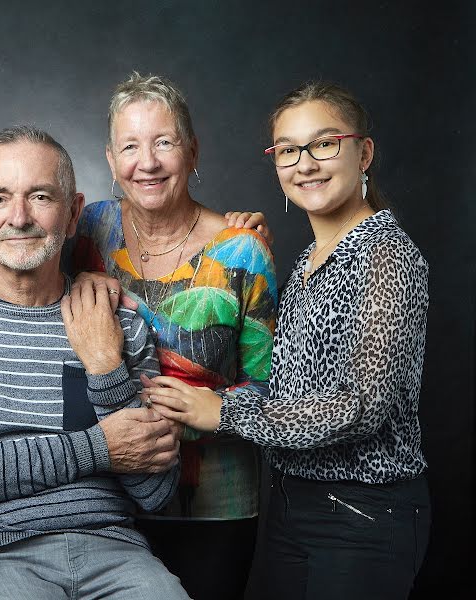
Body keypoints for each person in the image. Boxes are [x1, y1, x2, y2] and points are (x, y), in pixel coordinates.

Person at [0, 73, 277, 600]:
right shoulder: (86, 227)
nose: (147, 161)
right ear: (111, 161)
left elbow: (275, 390)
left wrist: (209, 409)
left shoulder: (241, 250)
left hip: (207, 495)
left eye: (164, 142)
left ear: (192, 151)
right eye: (130, 146)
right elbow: (16, 270)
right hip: (110, 501)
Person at [145, 82, 431, 600]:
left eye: (324, 144)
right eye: (289, 150)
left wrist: (224, 413)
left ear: (363, 153)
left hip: (363, 512)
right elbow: (286, 386)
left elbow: (363, 407)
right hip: (293, 506)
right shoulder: (306, 263)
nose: (306, 164)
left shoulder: (385, 256)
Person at [0, 125, 189, 600]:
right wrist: (99, 449)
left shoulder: (121, 322)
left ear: (73, 213)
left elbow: (156, 493)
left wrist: (105, 367)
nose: (19, 217)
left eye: (41, 196)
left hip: (115, 554)